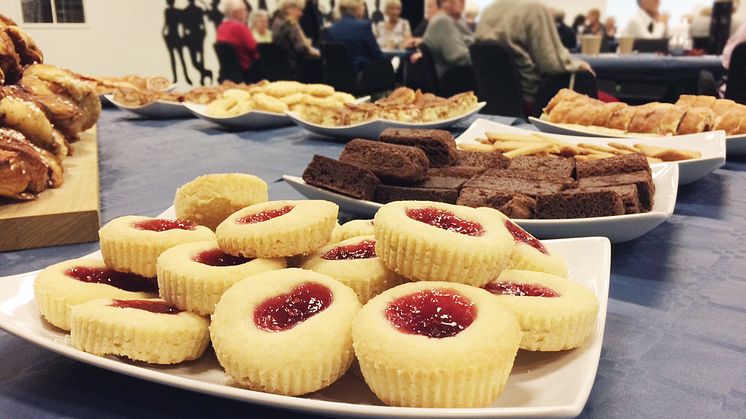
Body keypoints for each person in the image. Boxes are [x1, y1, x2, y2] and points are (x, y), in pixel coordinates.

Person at [475, 0, 593, 105]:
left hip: (493, 99)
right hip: (528, 97)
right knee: (586, 78)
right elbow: (552, 63)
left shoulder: (489, 10)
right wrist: (578, 65)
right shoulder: (533, 8)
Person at [327, 0, 384, 72]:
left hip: (337, 75)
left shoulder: (332, 29)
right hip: (361, 74)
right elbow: (376, 54)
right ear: (358, 10)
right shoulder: (363, 26)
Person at [422, 0, 474, 79]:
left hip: (461, 78)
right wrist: (485, 59)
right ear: (444, 2)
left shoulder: (446, 21)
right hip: (461, 81)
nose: (463, 2)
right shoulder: (442, 22)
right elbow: (459, 59)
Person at [272, 0, 321, 78]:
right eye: (299, 10)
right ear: (289, 9)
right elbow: (300, 48)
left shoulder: (276, 22)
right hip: (293, 66)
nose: (301, 14)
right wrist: (311, 50)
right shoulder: (290, 23)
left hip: (279, 67)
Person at [216, 0, 258, 80]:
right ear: (236, 13)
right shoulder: (240, 28)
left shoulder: (221, 27)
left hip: (228, 73)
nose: (247, 13)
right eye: (245, 10)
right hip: (246, 71)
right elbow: (255, 50)